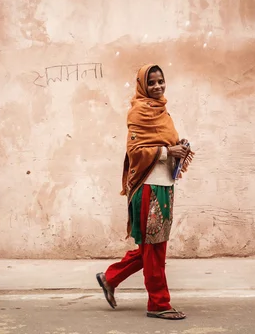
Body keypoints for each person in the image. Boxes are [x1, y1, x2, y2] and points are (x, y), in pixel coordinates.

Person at [97, 64, 194, 320]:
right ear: (143, 85)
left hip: (165, 187)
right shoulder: (139, 111)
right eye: (151, 83)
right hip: (148, 188)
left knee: (152, 247)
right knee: (155, 249)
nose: (157, 86)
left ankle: (110, 278)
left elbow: (165, 142)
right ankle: (158, 303)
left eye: (161, 81)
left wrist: (179, 147)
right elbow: (135, 151)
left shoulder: (163, 111)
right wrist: (166, 152)